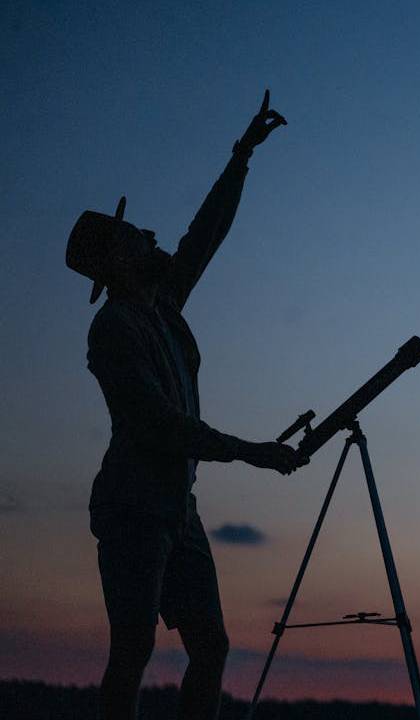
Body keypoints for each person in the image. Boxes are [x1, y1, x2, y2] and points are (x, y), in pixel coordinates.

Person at [65, 90, 308, 720]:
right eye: (135, 235)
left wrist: (240, 157)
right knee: (133, 650)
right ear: (119, 261)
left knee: (212, 646)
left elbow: (204, 236)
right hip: (133, 508)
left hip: (177, 507)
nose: (150, 234)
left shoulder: (163, 307)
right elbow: (161, 427)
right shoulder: (114, 328)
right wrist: (251, 452)